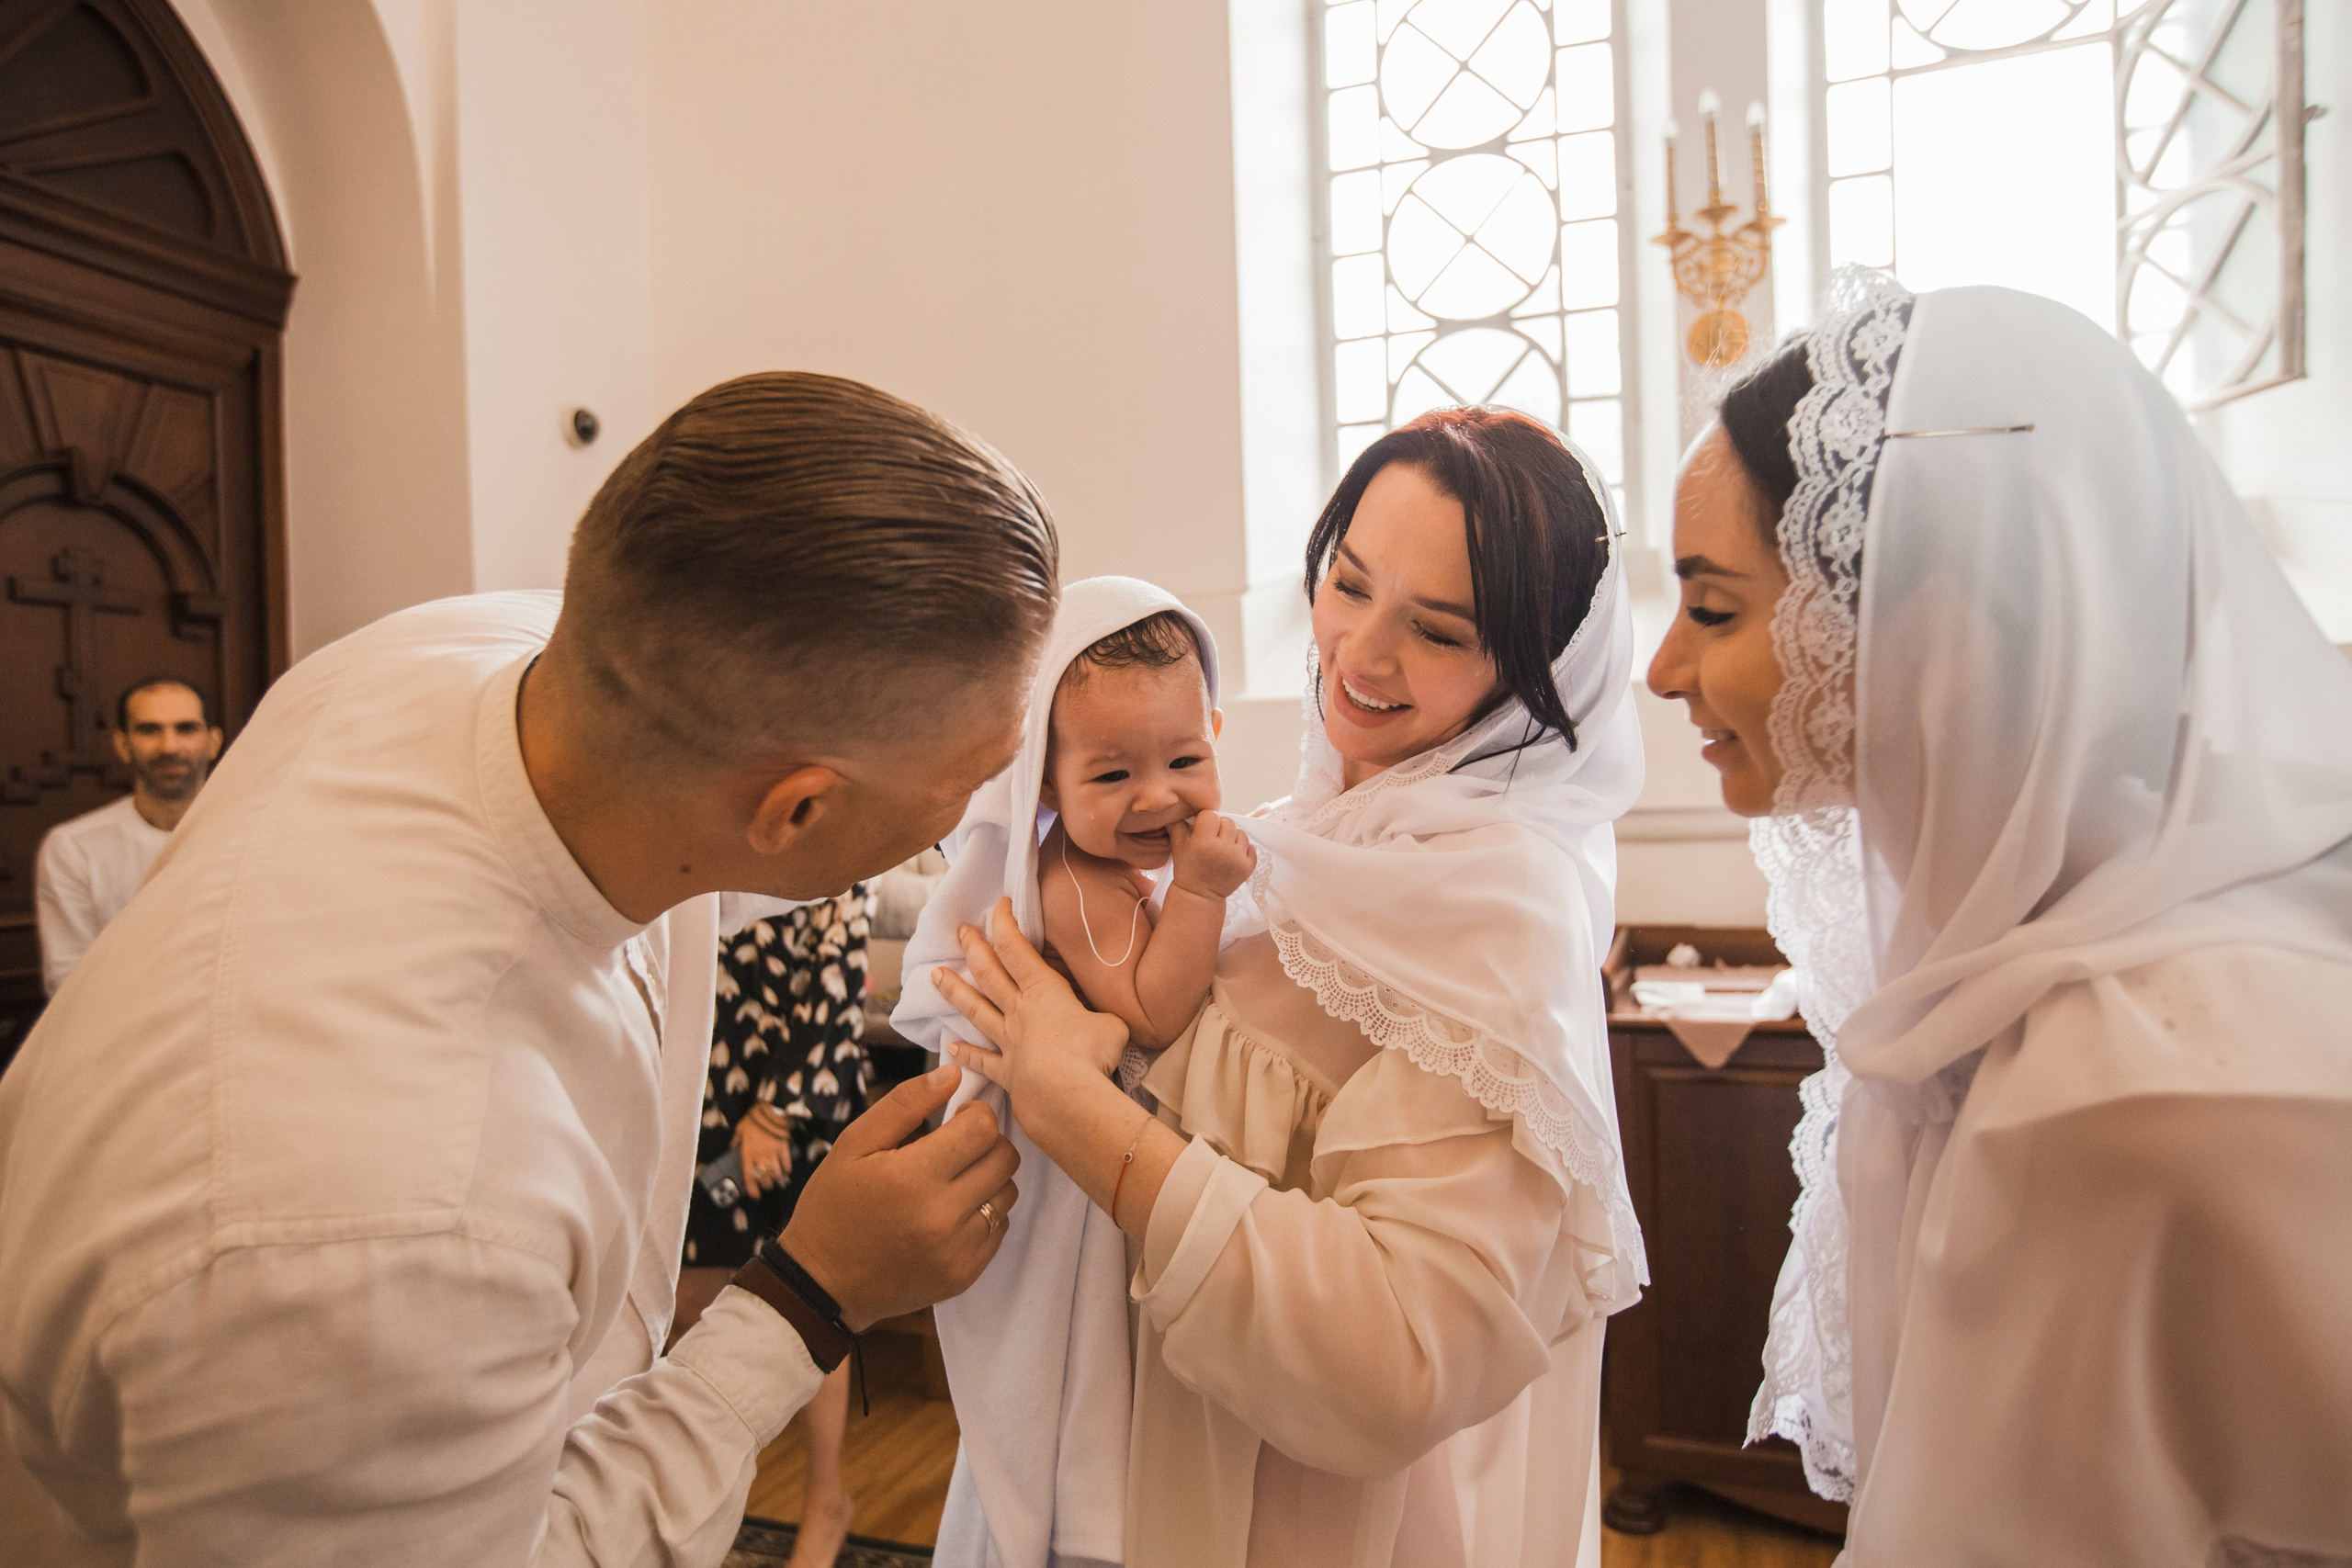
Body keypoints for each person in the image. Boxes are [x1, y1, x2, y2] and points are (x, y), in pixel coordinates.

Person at [0, 372, 1049, 1568]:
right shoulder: (385, 1225)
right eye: (976, 777)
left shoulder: (465, 656)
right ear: (796, 803)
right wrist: (814, 1289)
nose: (962, 830)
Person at [1647, 279, 2352, 1562]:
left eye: (1711, 607)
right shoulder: (2034, 973)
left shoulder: (2119, 1083)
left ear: (1928, 630)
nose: (1663, 668)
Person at [934, 409, 1646, 1568]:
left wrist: (1077, 1109)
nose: (1360, 655)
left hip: (1291, 1518)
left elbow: (1401, 1351)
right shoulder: (1289, 838)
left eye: (1438, 629)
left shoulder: (1497, 903)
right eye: (1349, 583)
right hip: (1130, 1448)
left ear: (1533, 666)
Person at [891, 578, 1253, 1567]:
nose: (1158, 796)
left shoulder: (1105, 865)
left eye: (1185, 758)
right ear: (1046, 786)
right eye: (1112, 776)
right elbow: (1151, 1008)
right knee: (1091, 1408)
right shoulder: (1077, 884)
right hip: (1075, 1193)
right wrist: (1204, 894)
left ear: (1216, 732)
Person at [676, 890, 880, 1568]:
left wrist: (778, 1112)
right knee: (685, 1300)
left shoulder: (838, 825)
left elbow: (838, 976)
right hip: (697, 1083)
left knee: (805, 1298)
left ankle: (825, 1499)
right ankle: (690, 1497)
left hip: (792, 1098)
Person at [33, 677, 222, 993]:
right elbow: (69, 982)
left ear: (213, 742)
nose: (169, 747)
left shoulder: (260, 833)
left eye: (186, 729)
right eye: (149, 730)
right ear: (123, 745)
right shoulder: (73, 848)